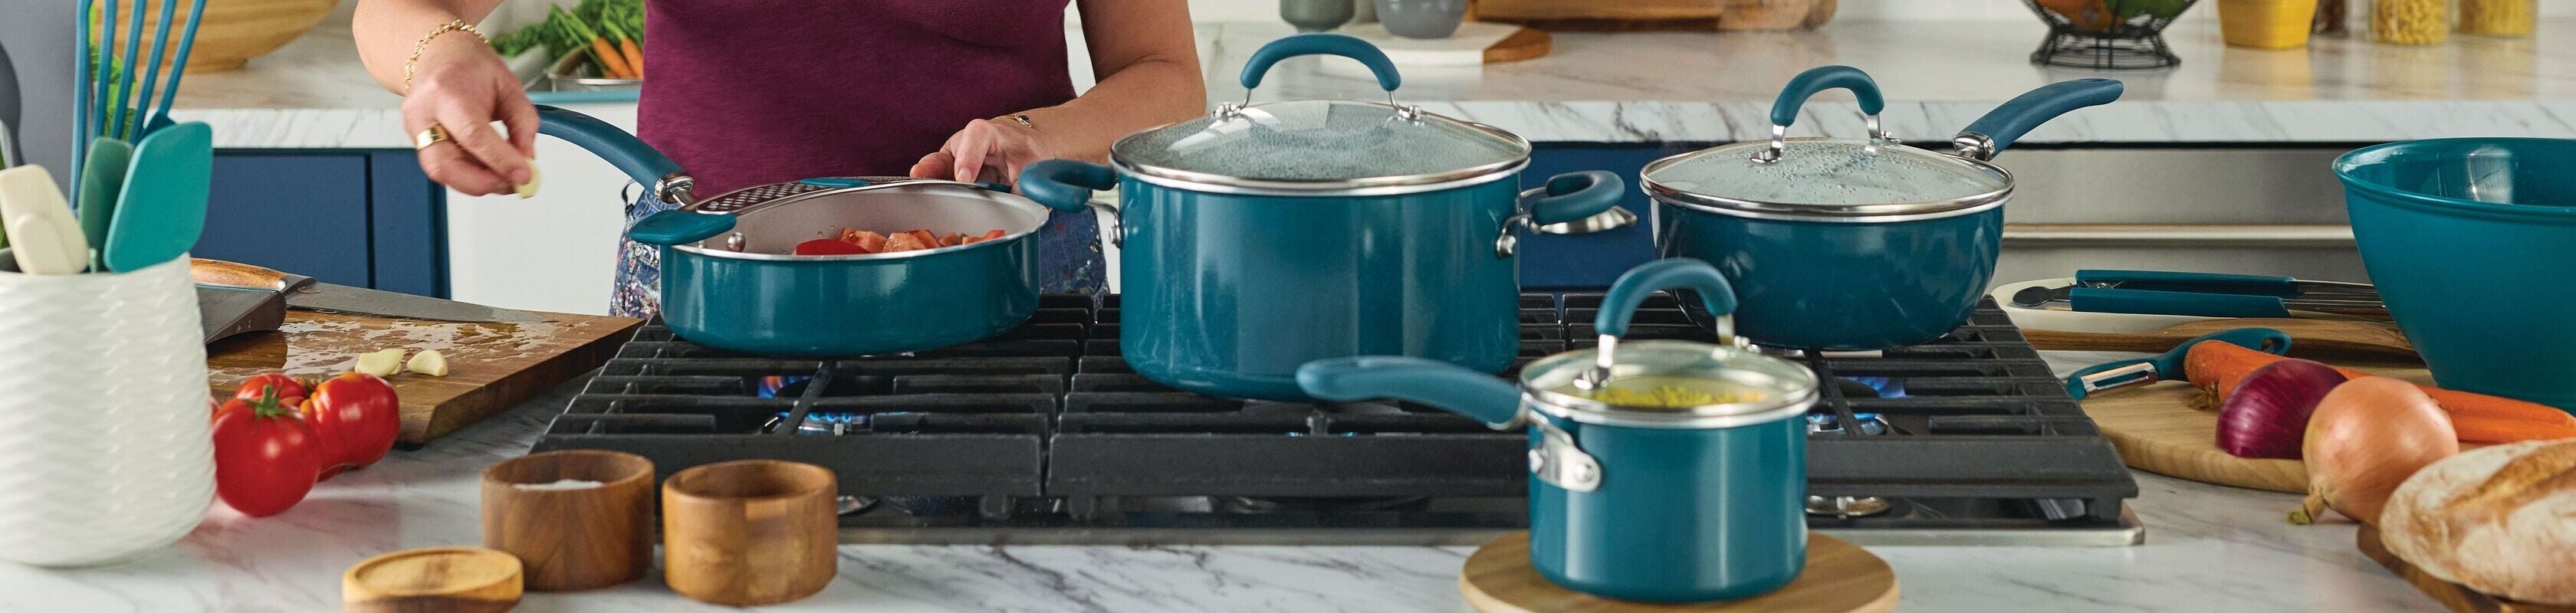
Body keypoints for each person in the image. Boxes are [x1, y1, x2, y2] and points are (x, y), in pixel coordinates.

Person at [353, 0, 1204, 316]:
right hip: (713, 279)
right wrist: (444, 57)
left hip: (1004, 274)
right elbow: (398, 10)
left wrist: (1041, 134)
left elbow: (1166, 77)